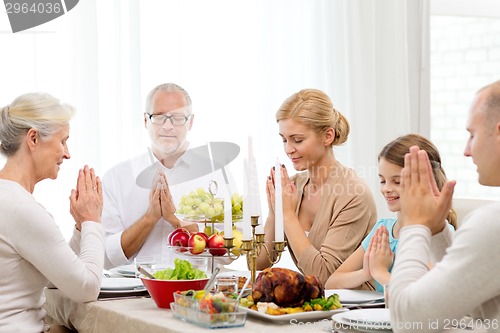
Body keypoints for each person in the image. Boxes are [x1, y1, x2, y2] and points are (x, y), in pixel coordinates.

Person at [390, 80, 500, 331]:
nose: (466, 150)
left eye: (472, 135)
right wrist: (437, 231)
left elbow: (408, 323)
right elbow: (472, 302)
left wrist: (415, 225)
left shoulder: (493, 222)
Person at [0, 93, 104, 332]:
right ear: (33, 139)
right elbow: (87, 288)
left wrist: (80, 228)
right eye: (63, 141)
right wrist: (92, 220)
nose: (67, 153)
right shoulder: (20, 208)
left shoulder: (9, 198)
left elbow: (55, 273)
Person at [102, 83, 233, 269]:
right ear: (146, 121)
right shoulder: (117, 177)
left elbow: (229, 252)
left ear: (191, 122)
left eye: (178, 118)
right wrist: (149, 218)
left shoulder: (216, 173)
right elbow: (107, 257)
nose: (168, 126)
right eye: (159, 117)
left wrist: (176, 220)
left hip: (198, 291)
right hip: (134, 292)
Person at [256, 88, 377, 285]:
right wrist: (274, 213)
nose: (288, 149)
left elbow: (325, 278)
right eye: (284, 140)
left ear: (328, 136)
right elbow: (259, 263)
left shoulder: (353, 194)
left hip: (355, 310)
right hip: (315, 306)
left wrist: (287, 215)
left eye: (298, 140)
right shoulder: (293, 186)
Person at [325, 134, 457, 292]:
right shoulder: (383, 230)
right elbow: (332, 283)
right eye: (382, 180)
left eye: (397, 182)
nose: (386, 188)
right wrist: (366, 273)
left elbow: (420, 294)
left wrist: (380, 272)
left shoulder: (438, 235)